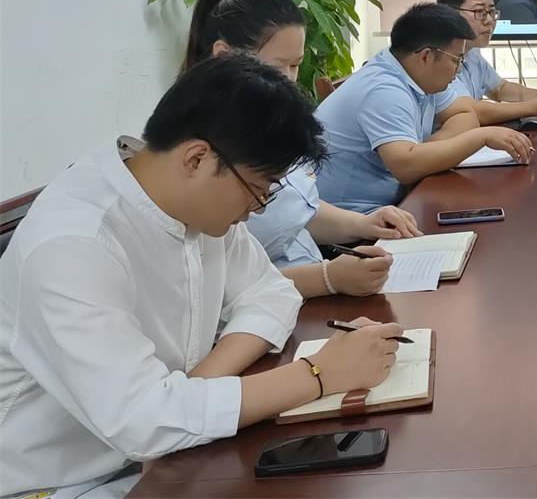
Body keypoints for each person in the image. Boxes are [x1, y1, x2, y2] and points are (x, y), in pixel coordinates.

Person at [0, 55, 405, 498]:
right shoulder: (73, 244)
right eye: (258, 191)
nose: (256, 210)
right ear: (196, 158)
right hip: (59, 482)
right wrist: (319, 373)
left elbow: (271, 292)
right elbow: (140, 420)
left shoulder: (190, 205)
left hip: (164, 451)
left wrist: (199, 384)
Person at [183, 0, 420, 300]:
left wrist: (365, 224)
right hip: (270, 305)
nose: (289, 79)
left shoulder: (271, 120)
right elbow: (217, 288)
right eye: (277, 66)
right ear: (224, 55)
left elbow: (298, 211)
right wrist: (328, 278)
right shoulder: (203, 151)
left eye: (295, 65)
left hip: (308, 288)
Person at [314, 3, 533, 212]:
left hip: (396, 203)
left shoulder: (417, 74)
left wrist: (424, 150)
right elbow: (406, 167)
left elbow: (466, 113)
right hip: (355, 219)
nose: (458, 70)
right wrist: (480, 138)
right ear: (426, 56)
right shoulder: (384, 89)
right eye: (456, 60)